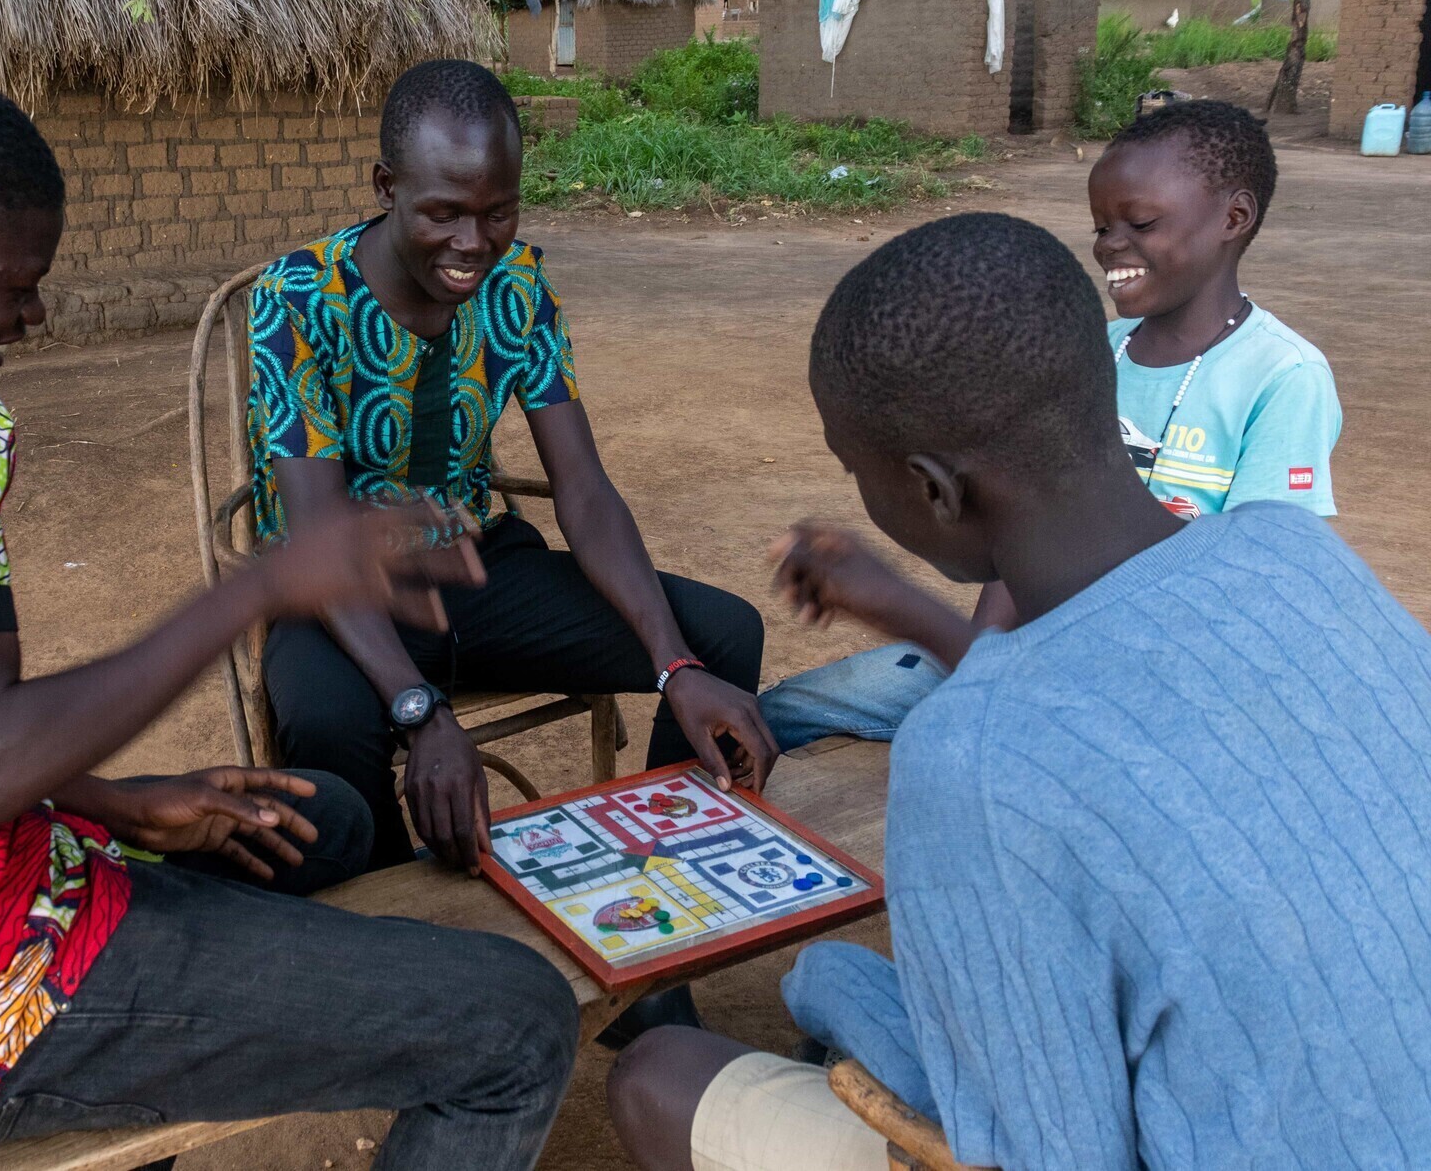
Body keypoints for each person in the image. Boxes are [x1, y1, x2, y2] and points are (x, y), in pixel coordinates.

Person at [0, 71, 579, 1170]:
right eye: (18, 282)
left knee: (326, 819)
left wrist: (112, 803)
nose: (32, 313)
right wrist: (262, 584)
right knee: (513, 1020)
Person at [606, 212, 1431, 1171]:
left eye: (852, 469)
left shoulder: (977, 752)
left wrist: (831, 986)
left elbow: (1050, 1148)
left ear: (932, 491)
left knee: (655, 1075)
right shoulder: (1300, 555)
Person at [248, 58, 773, 881]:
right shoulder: (300, 297)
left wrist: (675, 666)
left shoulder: (518, 287)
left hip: (481, 570)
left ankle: (653, 889)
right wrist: (420, 714)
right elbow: (317, 535)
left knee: (721, 636)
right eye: (445, 213)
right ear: (387, 185)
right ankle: (410, 926)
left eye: (498, 212)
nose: (473, 244)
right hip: (338, 600)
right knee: (322, 724)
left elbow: (585, 490)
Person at [754, 98, 1343, 746]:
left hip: (1157, 690)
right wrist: (980, 656)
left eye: (1140, 222)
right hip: (1023, 652)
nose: (1110, 245)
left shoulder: (1283, 378)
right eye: (1100, 226)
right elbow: (1021, 525)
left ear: (1234, 216)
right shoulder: (1095, 347)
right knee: (780, 710)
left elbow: (1254, 587)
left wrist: (936, 634)